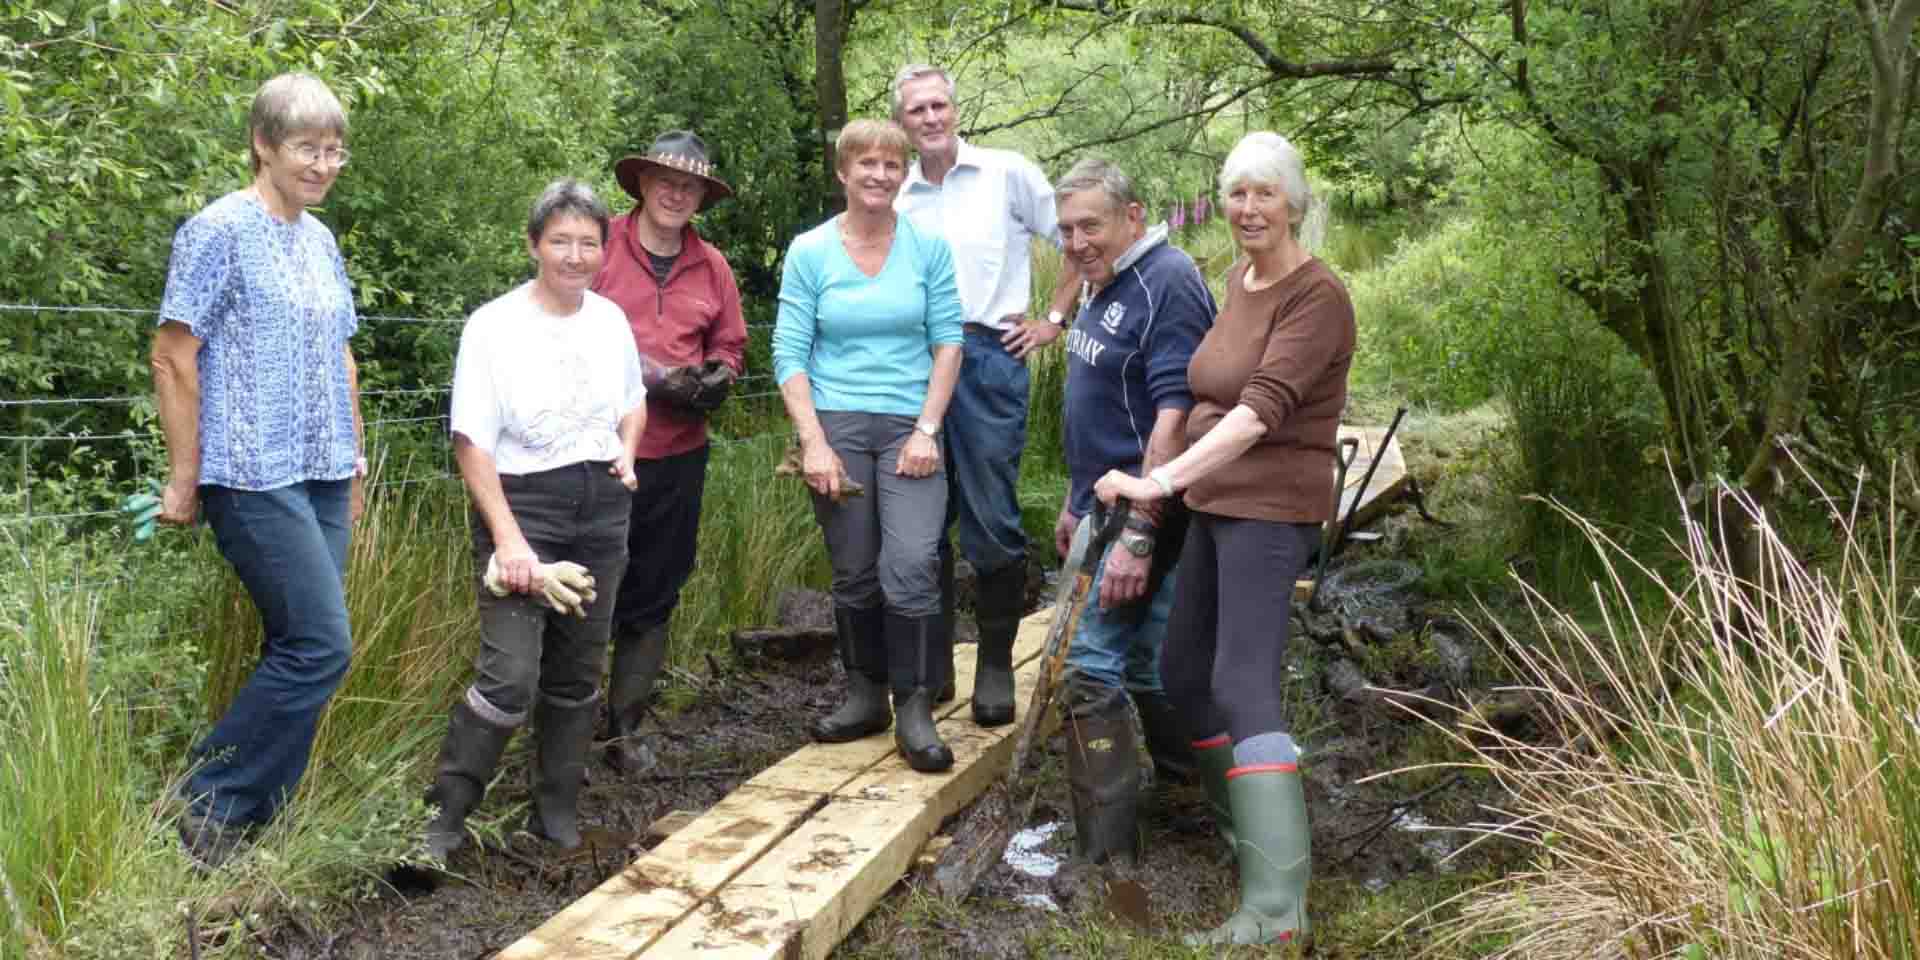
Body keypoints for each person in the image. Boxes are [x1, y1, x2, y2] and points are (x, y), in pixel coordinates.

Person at [1094, 131, 1353, 947]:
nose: (1248, 208)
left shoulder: (1319, 297)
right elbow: (1204, 392)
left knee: (1243, 686)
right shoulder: (1238, 281)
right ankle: (1242, 838)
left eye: (1265, 194)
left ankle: (1277, 908)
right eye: (1237, 192)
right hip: (1214, 504)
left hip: (1271, 513)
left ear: (1295, 205)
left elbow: (1256, 412)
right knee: (1180, 669)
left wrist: (1157, 483)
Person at [151, 72, 366, 869]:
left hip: (320, 467)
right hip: (249, 470)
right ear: (263, 145)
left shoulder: (321, 241)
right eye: (307, 148)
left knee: (301, 645)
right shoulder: (218, 231)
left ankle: (247, 826)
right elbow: (173, 355)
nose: (322, 164)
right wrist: (184, 477)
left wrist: (356, 458)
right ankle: (206, 801)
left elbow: (340, 356)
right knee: (320, 644)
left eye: (335, 151)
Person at [425, 179, 646, 859]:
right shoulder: (493, 325)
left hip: (602, 509)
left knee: (578, 673)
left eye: (588, 243)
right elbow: (471, 442)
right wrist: (509, 538)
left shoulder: (609, 319)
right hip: (524, 507)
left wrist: (630, 455)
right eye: (561, 241)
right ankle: (439, 821)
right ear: (533, 245)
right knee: (510, 674)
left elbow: (633, 401)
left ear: (604, 250)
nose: (575, 256)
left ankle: (554, 810)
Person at [774, 118, 964, 773]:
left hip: (911, 425)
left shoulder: (928, 248)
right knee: (853, 567)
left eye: (892, 164)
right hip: (837, 425)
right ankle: (863, 697)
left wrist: (927, 431)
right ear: (843, 172)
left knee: (910, 563)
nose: (880, 175)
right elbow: (789, 353)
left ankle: (913, 706)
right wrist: (814, 444)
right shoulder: (810, 252)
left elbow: (948, 342)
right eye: (867, 164)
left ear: (903, 171)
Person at [891, 64, 1078, 728]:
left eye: (939, 104)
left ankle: (995, 666)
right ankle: (935, 668)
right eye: (917, 110)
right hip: (912, 362)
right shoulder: (897, 193)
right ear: (903, 123)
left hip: (992, 354)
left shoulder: (1008, 172)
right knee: (921, 518)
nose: (931, 117)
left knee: (992, 516)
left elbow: (1080, 239)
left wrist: (1053, 320)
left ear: (956, 109)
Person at [1050, 158, 1215, 866]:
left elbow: (1176, 411)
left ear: (1134, 216)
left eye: (1092, 224)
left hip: (1147, 511)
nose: (1079, 240)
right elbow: (1104, 403)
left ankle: (1104, 852)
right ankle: (1190, 790)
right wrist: (1075, 500)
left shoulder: (1168, 282)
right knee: (1148, 661)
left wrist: (1140, 533)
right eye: (1066, 229)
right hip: (1105, 502)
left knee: (1089, 667)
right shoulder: (1105, 282)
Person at [593, 130, 747, 775]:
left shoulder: (711, 265)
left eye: (690, 185)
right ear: (643, 184)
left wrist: (716, 375)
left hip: (680, 451)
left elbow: (732, 346)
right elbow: (563, 326)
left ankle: (622, 729)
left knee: (656, 589)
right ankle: (564, 729)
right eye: (666, 180)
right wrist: (650, 373)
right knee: (588, 588)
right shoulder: (597, 243)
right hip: (596, 452)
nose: (676, 193)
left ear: (701, 196)